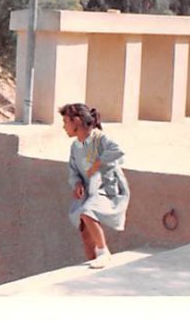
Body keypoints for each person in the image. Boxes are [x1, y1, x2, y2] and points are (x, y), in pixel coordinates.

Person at [59, 103, 130, 269]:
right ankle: (93, 261)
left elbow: (118, 151)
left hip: (107, 186)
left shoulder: (99, 138)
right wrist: (76, 182)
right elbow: (73, 169)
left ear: (76, 121)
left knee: (87, 213)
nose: (64, 127)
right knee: (84, 230)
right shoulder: (75, 146)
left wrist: (98, 163)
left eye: (65, 122)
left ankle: (103, 252)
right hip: (89, 188)